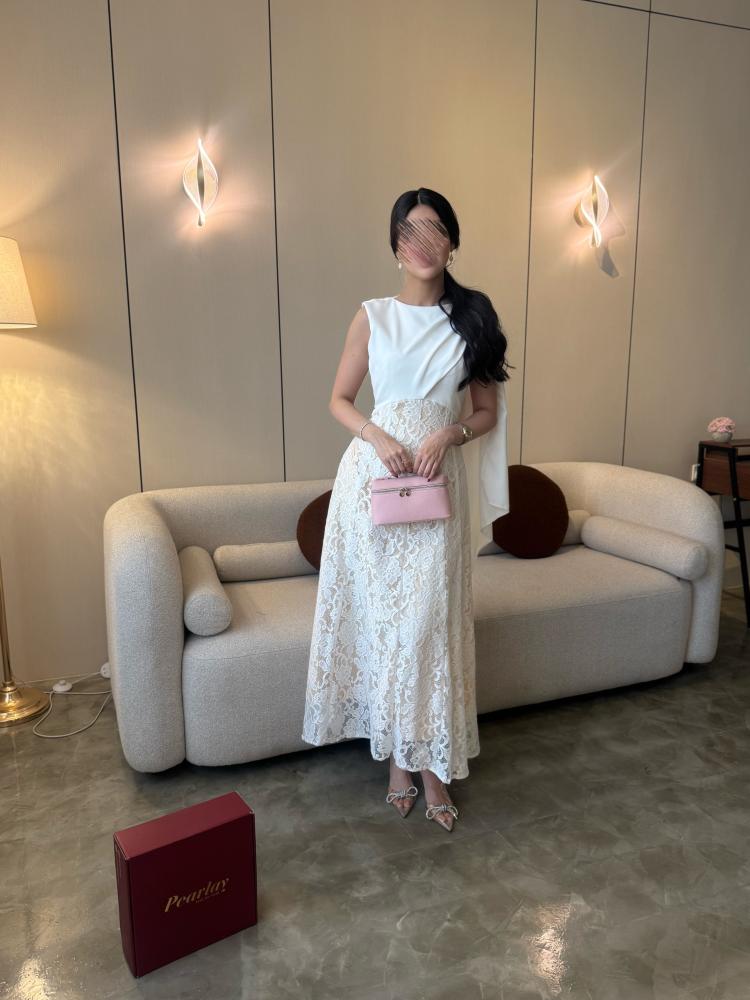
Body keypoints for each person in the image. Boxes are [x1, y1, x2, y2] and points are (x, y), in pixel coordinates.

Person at [301, 187, 512, 831]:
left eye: (435, 230)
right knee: (387, 627)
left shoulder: (473, 318)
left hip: (437, 484)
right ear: (395, 245)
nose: (423, 243)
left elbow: (486, 410)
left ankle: (432, 768)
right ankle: (398, 760)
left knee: (427, 625)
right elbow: (339, 399)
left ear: (453, 241)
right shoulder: (372, 316)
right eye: (410, 232)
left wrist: (452, 432)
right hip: (374, 483)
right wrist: (376, 435)